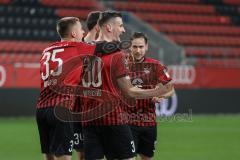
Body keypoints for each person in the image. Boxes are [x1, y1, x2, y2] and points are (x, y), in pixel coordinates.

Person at [81, 11, 173, 160]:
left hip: (89, 120)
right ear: (109, 28)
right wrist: (157, 91)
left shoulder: (83, 50)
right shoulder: (117, 54)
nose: (123, 30)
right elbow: (129, 91)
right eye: (121, 26)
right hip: (112, 119)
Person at [36, 16, 120, 160]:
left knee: (49, 156)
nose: (83, 32)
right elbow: (108, 47)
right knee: (63, 156)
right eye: (81, 30)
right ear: (74, 34)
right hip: (61, 110)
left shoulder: (47, 50)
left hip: (41, 109)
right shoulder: (78, 48)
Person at [124, 32, 174, 160]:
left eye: (141, 47)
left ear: (146, 47)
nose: (138, 50)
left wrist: (162, 96)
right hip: (127, 122)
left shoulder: (155, 65)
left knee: (147, 158)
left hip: (148, 122)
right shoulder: (122, 65)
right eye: (135, 47)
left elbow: (171, 89)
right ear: (130, 47)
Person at [73, 11, 101, 160]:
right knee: (83, 153)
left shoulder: (106, 48)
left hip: (101, 109)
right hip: (80, 109)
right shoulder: (78, 47)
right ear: (98, 26)